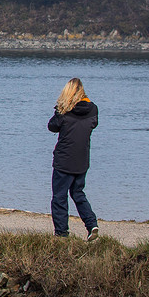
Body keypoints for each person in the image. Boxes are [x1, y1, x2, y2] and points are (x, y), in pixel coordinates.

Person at [47, 77, 100, 240]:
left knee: (59, 197)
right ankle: (92, 225)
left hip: (64, 160)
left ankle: (62, 233)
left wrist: (58, 111)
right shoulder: (93, 110)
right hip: (82, 160)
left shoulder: (64, 111)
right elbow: (93, 124)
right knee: (78, 193)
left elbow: (52, 126)